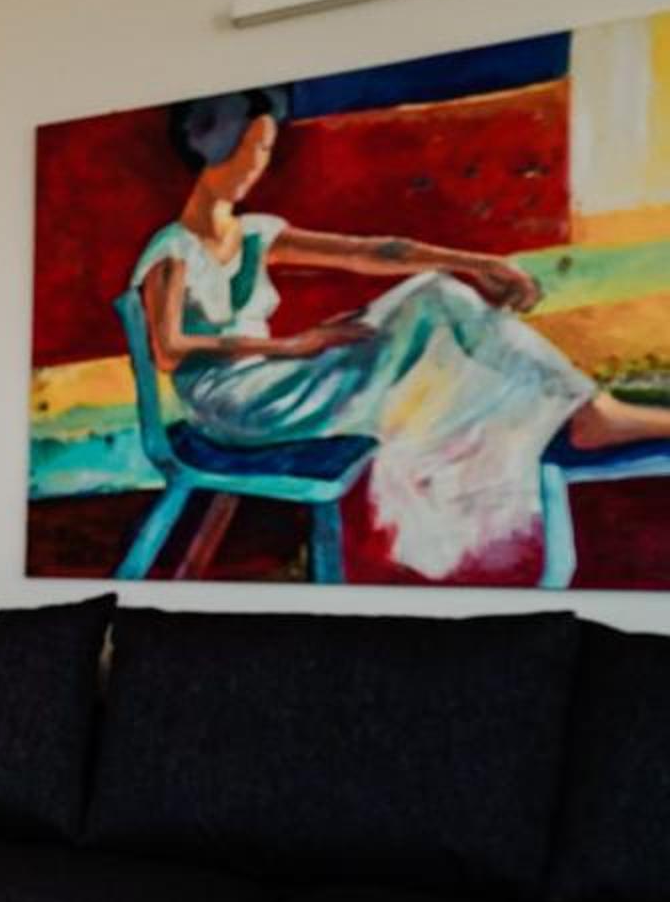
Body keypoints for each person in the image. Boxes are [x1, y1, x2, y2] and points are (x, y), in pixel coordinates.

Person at [133, 88, 670, 577]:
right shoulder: (173, 250)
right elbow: (170, 350)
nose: (257, 164)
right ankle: (592, 416)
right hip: (232, 408)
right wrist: (292, 346)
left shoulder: (254, 233)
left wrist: (475, 263)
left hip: (275, 380)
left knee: (430, 297)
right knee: (430, 304)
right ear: (214, 143)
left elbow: (373, 252)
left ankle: (586, 413)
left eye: (266, 150)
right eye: (250, 148)